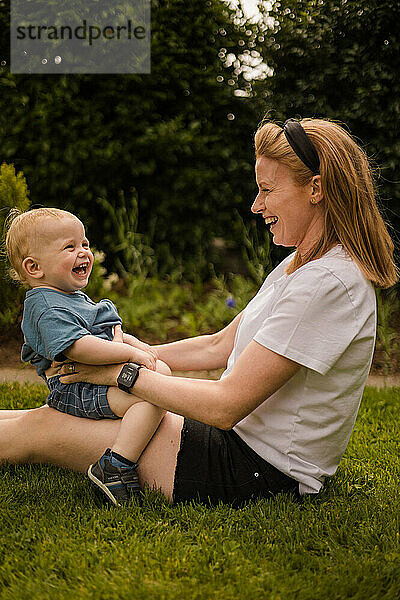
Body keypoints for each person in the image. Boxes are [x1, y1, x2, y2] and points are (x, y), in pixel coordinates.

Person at [0, 118, 398, 507]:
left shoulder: (326, 282)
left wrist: (115, 372)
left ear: (316, 188)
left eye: (267, 189)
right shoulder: (303, 264)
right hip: (235, 444)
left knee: (42, 430)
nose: (256, 205)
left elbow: (224, 406)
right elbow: (218, 345)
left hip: (250, 469)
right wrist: (133, 352)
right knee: (46, 416)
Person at [5, 207, 170, 505]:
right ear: (34, 268)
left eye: (84, 244)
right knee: (152, 397)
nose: (84, 252)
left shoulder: (67, 296)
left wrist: (137, 344)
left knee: (162, 378)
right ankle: (117, 464)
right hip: (74, 388)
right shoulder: (46, 307)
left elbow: (102, 331)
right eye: (70, 247)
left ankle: (122, 454)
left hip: (90, 381)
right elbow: (79, 348)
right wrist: (130, 352)